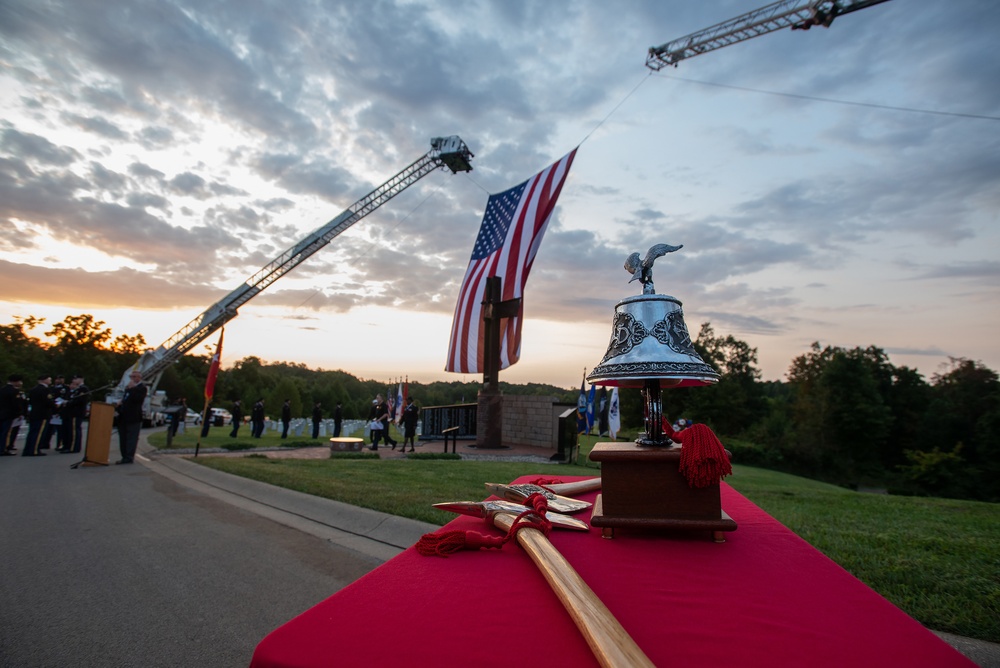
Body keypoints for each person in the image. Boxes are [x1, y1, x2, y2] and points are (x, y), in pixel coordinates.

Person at [115, 370, 146, 464]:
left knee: (131, 438)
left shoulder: (142, 388)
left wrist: (132, 389)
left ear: (139, 378)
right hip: (124, 417)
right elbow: (126, 400)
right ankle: (124, 456)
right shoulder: (128, 388)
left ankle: (129, 457)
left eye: (135, 376)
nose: (132, 378)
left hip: (134, 417)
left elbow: (137, 400)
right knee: (123, 438)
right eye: (131, 377)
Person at [22, 374, 52, 457]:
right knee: (39, 433)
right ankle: (34, 450)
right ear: (44, 380)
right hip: (42, 414)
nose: (50, 381)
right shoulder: (45, 390)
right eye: (49, 379)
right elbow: (48, 402)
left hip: (34, 413)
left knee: (32, 432)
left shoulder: (33, 389)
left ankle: (28, 449)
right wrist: (56, 406)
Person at [60, 375, 89, 454]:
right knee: (69, 430)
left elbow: (80, 400)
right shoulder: (77, 389)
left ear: (81, 379)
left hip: (76, 412)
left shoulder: (83, 389)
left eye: (76, 379)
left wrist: (68, 403)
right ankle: (67, 445)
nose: (74, 380)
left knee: (74, 430)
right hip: (71, 412)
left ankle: (74, 447)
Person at [0, 373, 23, 455]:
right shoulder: (14, 391)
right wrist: (19, 413)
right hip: (9, 414)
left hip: (1, 413)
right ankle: (4, 448)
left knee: (1, 431)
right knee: (7, 432)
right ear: (16, 382)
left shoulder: (2, 389)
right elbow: (16, 404)